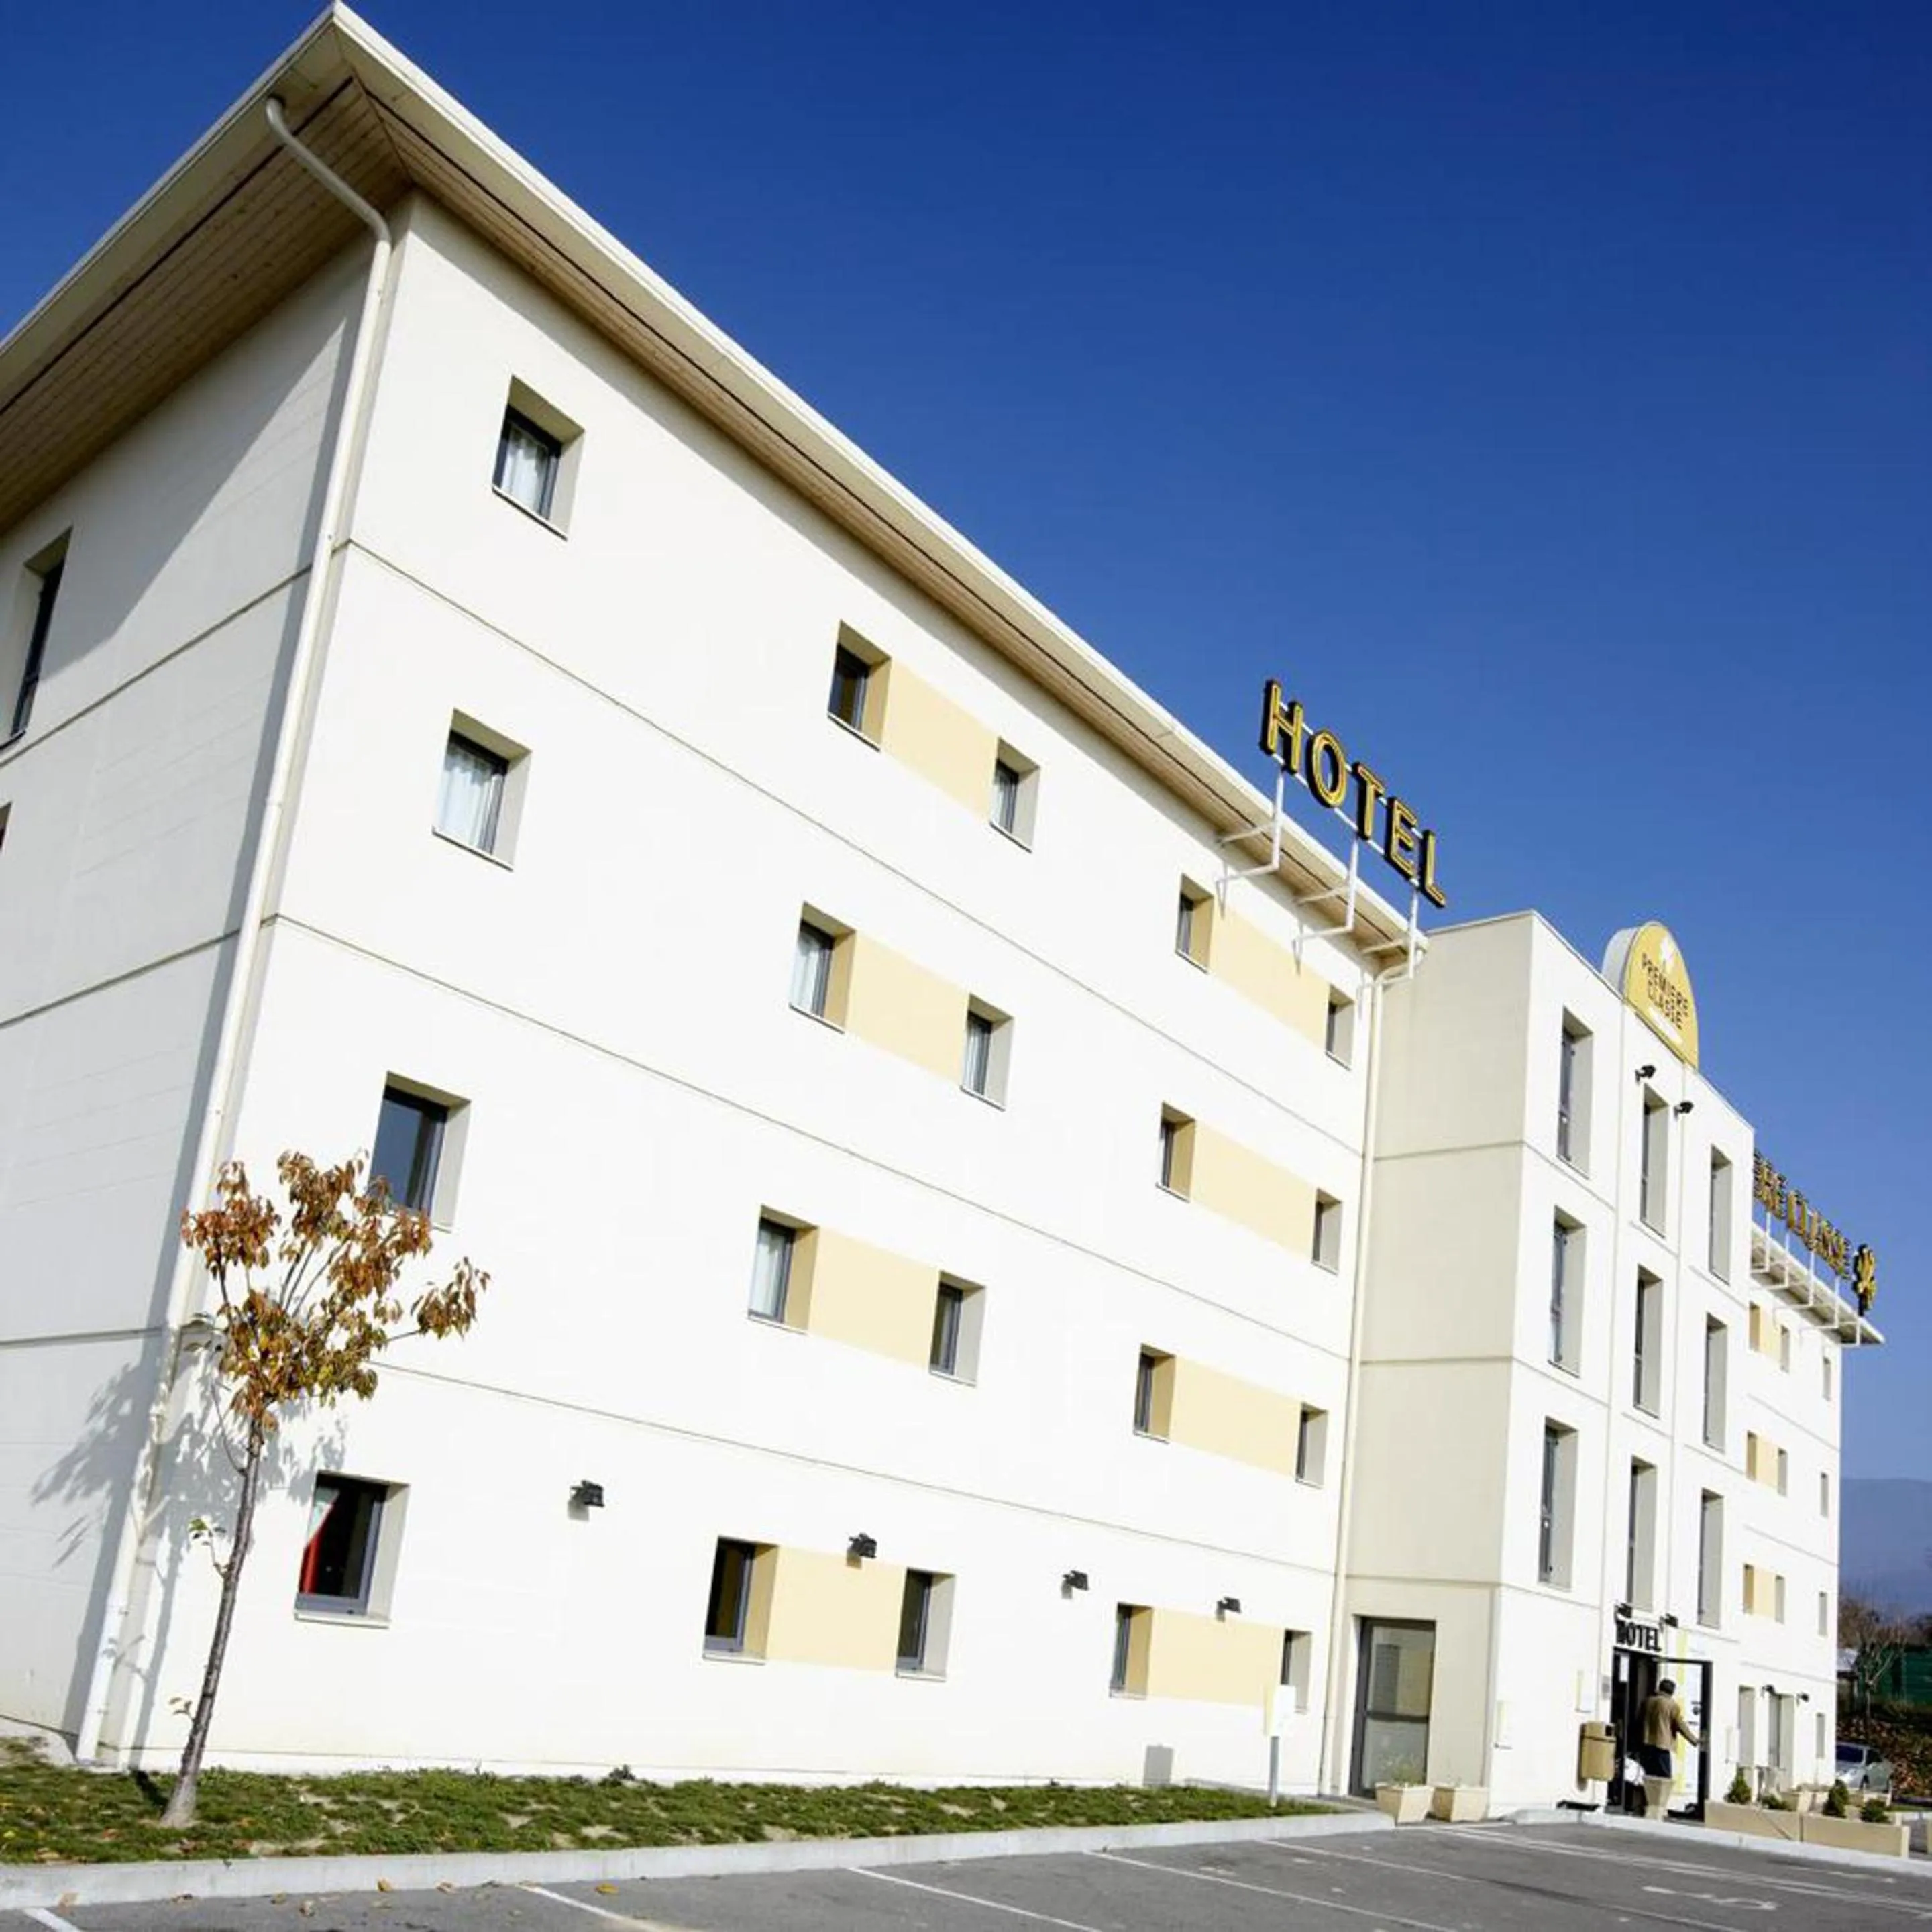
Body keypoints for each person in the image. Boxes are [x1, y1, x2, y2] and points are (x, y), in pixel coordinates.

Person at [1637, 1680, 1701, 1817]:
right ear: (1672, 1691)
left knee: (1650, 1777)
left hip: (1647, 1743)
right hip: (1662, 1745)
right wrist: (1694, 1740)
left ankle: (1648, 1805)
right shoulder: (1672, 1705)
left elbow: (1638, 1720)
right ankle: (1660, 1808)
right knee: (1665, 1778)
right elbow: (1681, 1726)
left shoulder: (1647, 1701)